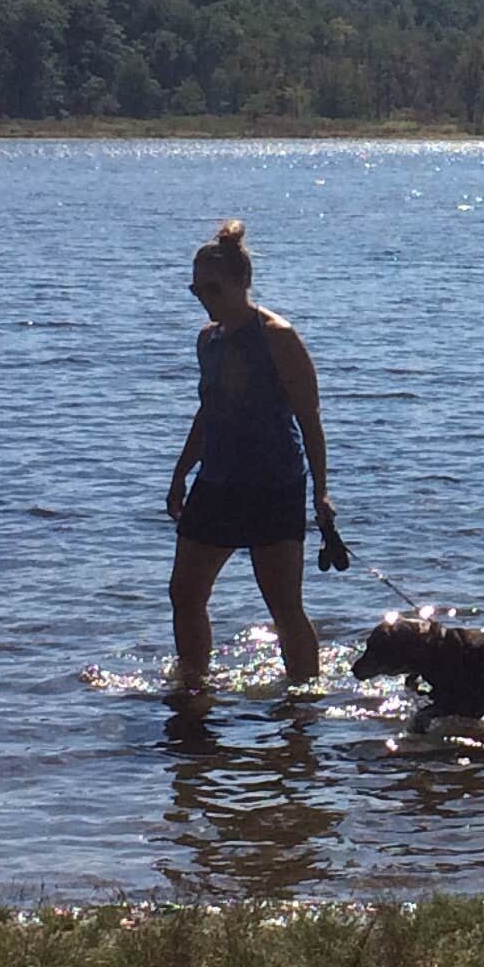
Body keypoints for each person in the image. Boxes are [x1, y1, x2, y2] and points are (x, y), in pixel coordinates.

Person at [164, 219, 332, 690]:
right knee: (185, 592)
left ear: (242, 283)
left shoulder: (278, 336)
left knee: (283, 605)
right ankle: (194, 687)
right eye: (195, 290)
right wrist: (181, 473)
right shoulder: (208, 340)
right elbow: (208, 411)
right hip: (216, 482)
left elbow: (310, 419)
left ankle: (304, 702)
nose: (204, 298)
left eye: (213, 289)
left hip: (273, 483)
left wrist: (322, 494)